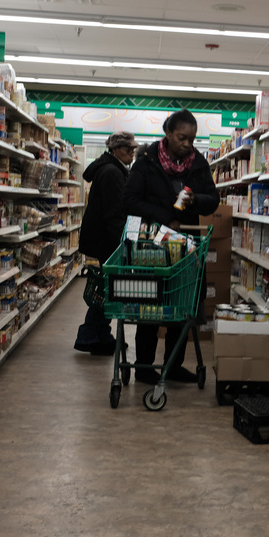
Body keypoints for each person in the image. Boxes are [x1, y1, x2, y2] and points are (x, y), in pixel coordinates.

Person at [123, 110, 219, 384]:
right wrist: (166, 217)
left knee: (181, 306)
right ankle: (143, 368)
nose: (188, 144)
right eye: (182, 137)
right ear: (168, 133)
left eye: (192, 138)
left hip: (185, 248)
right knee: (150, 307)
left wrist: (194, 200)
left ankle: (173, 365)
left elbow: (213, 199)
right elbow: (129, 201)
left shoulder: (198, 164)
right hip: (150, 246)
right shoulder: (146, 162)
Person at [75, 132, 139, 355]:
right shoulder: (112, 172)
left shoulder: (112, 169)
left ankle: (100, 336)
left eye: (133, 149)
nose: (132, 153)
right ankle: (90, 336)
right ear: (114, 150)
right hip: (107, 241)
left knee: (107, 288)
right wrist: (124, 246)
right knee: (108, 289)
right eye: (127, 149)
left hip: (102, 239)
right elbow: (114, 216)